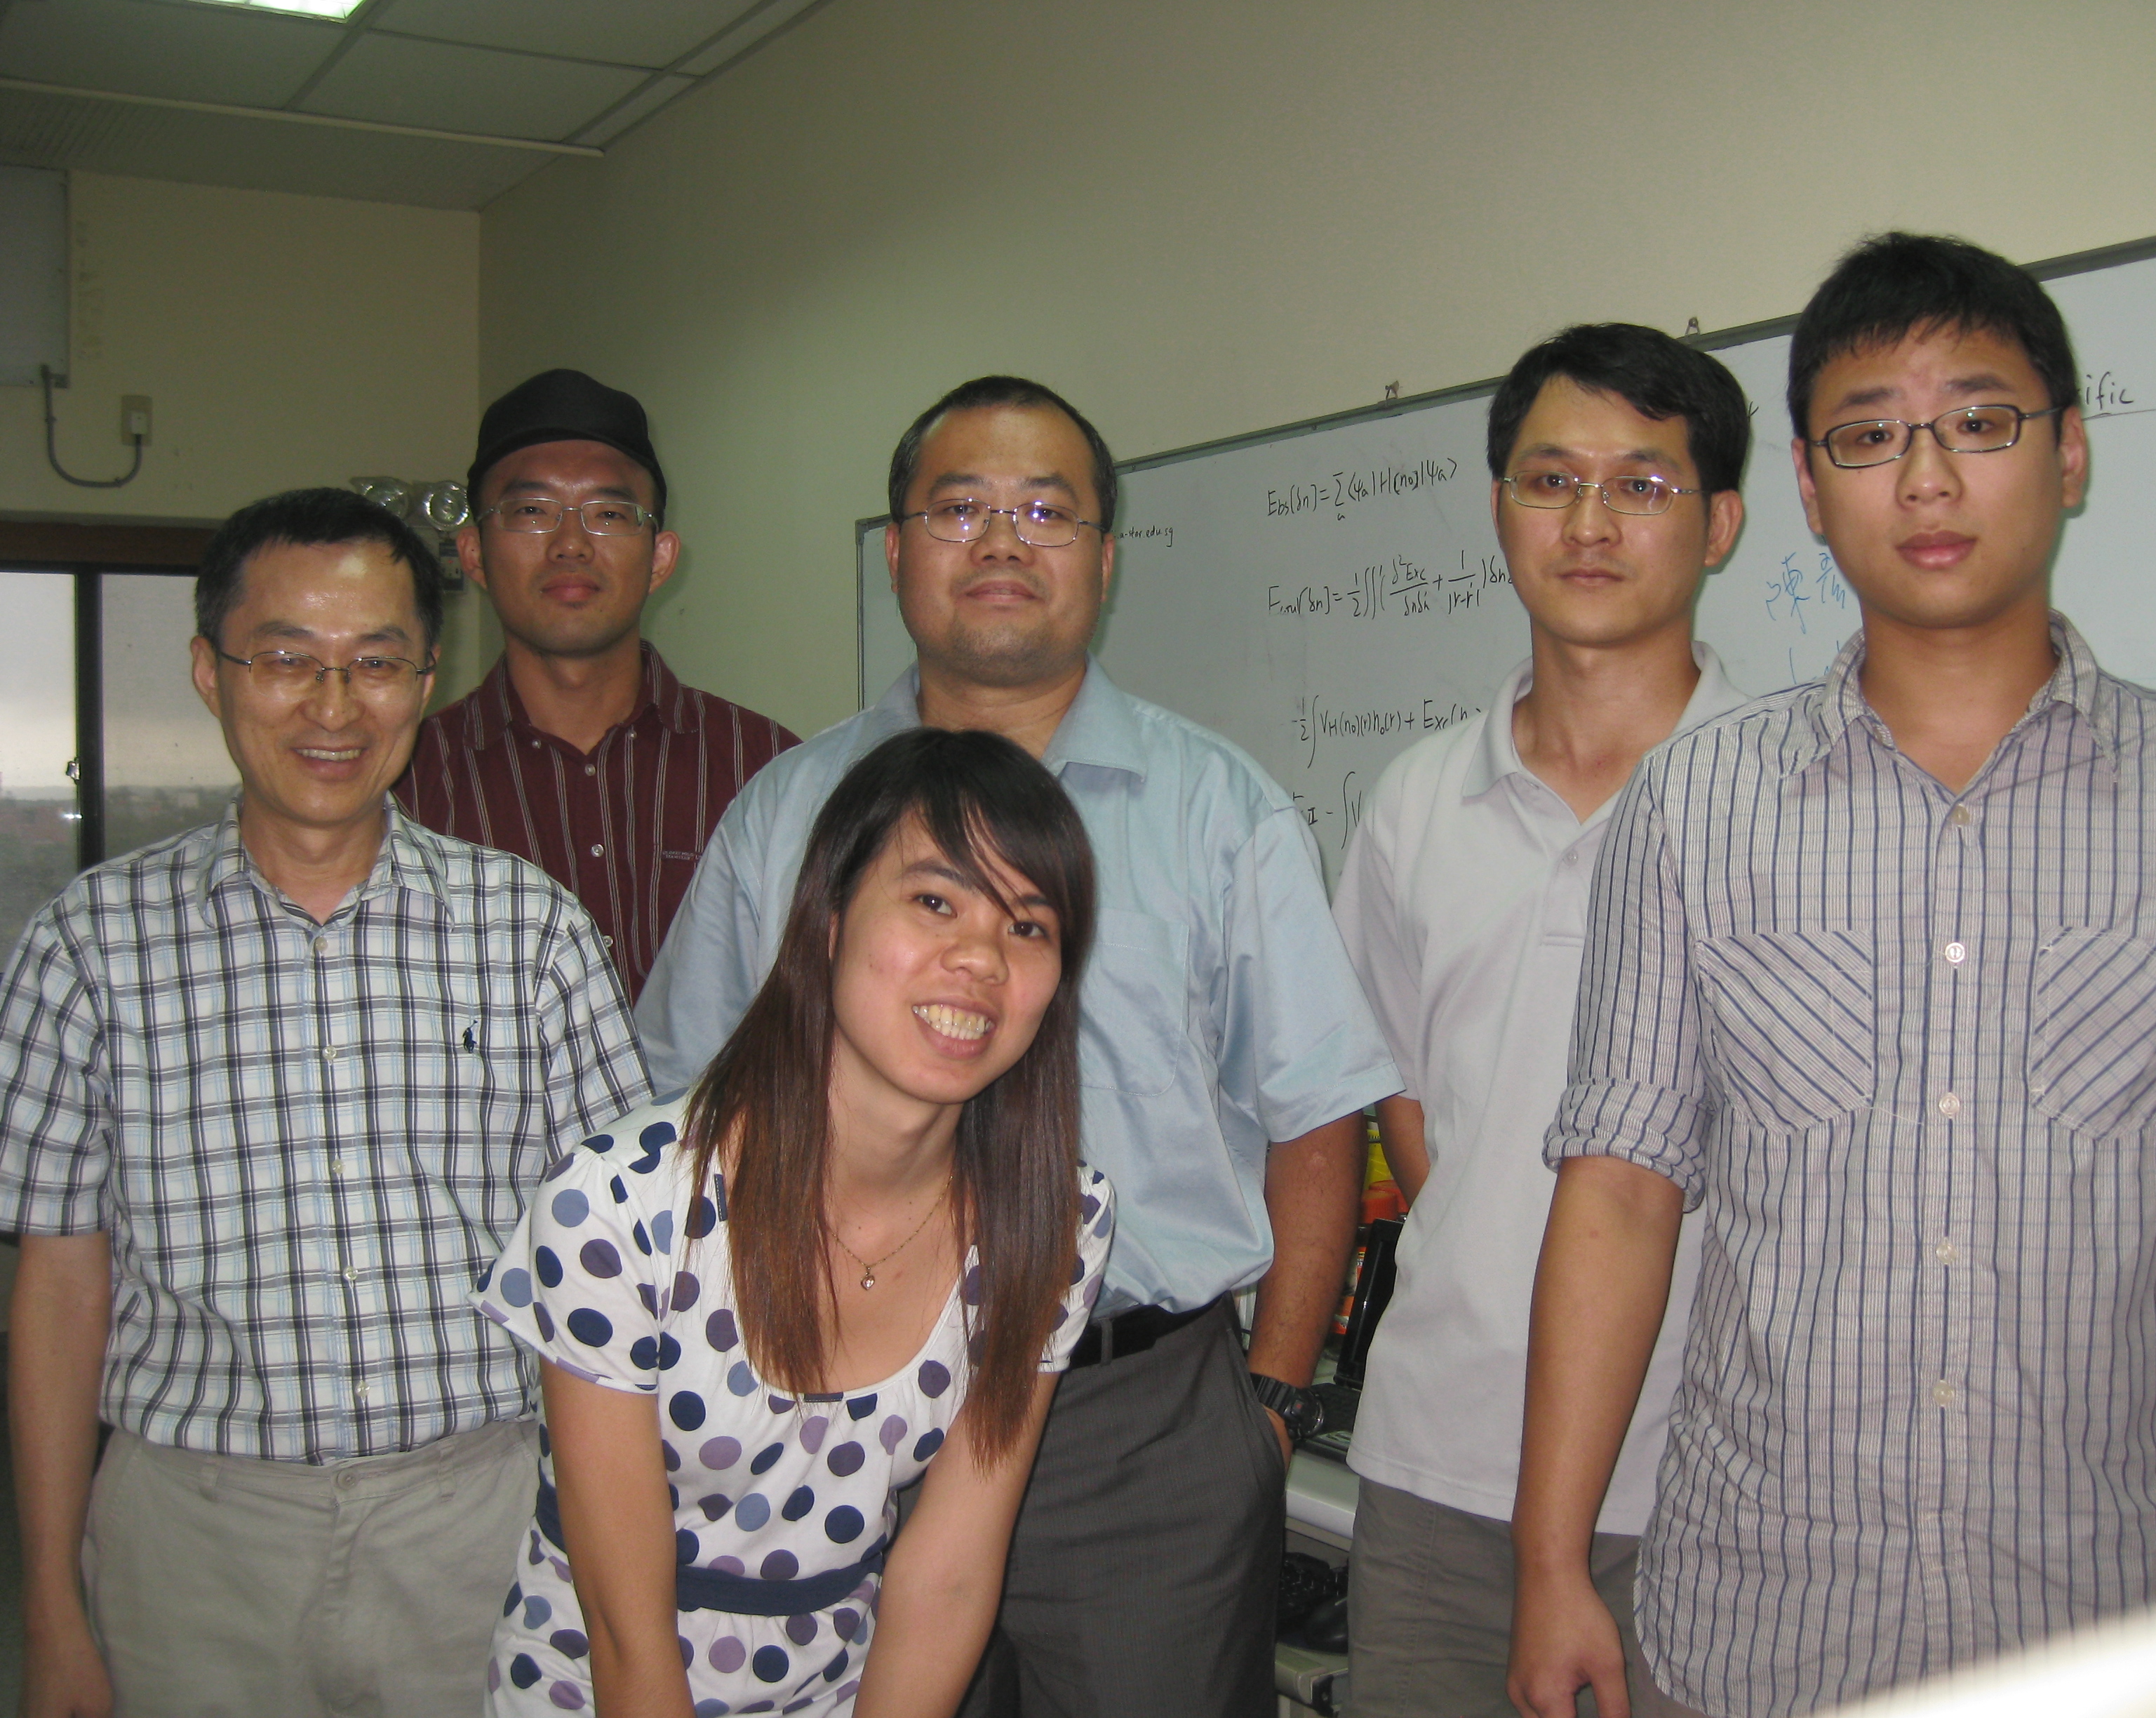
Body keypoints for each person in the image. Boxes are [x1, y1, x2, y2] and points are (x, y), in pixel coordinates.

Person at [1508, 234, 2156, 1718]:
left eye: (1978, 422)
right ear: (1810, 491)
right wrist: (1551, 1565)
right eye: (1868, 437)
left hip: (2114, 1624)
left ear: (2067, 453)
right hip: (1763, 1625)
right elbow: (1616, 1194)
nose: (1924, 481)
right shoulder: (1695, 804)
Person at [639, 375, 1400, 1716]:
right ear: (895, 551)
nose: (1001, 541)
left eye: (1046, 511)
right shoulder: (785, 814)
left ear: (1104, 559)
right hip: (839, 1408)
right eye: (959, 509)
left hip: (1134, 1431)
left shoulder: (1217, 810)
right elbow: (688, 1106)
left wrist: (1269, 1406)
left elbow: (1315, 1112)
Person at [0, 487, 652, 1718]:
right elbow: (59, 1284)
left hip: (480, 1515)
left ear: (424, 679)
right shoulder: (87, 948)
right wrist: (47, 1598)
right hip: (189, 1535)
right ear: (211, 670)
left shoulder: (531, 933)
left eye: (376, 663)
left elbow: (620, 1266)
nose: (334, 706)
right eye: (287, 659)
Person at [476, 726, 1113, 1716]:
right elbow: (622, 1624)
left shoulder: (1053, 1222)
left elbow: (948, 1576)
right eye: (936, 902)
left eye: (1028, 926)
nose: (980, 958)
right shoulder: (619, 1207)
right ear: (828, 918)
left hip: (839, 1687)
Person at [1331, 324, 1748, 1718]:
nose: (1588, 521)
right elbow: (1401, 1098)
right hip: (1437, 1472)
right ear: (1500, 506)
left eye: (1641, 484)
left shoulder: (1790, 805)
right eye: (1550, 478)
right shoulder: (1414, 804)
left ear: (1721, 522)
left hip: (1714, 1476)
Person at [395, 367, 800, 1000]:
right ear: (473, 554)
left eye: (609, 514)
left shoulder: (768, 768)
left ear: (660, 558)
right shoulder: (408, 786)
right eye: (531, 512)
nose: (571, 544)